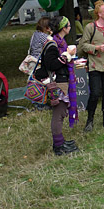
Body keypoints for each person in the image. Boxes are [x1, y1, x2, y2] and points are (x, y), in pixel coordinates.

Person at [34, 16, 79, 155]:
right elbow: (52, 64)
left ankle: (60, 141)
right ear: (63, 28)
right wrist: (67, 55)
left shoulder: (59, 42)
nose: (70, 27)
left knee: (61, 113)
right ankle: (58, 146)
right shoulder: (52, 44)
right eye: (69, 25)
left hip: (61, 80)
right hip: (56, 83)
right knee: (58, 114)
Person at [78, 0, 104, 132]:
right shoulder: (90, 27)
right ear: (100, 14)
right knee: (95, 93)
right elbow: (83, 45)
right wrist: (96, 47)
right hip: (95, 65)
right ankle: (90, 121)